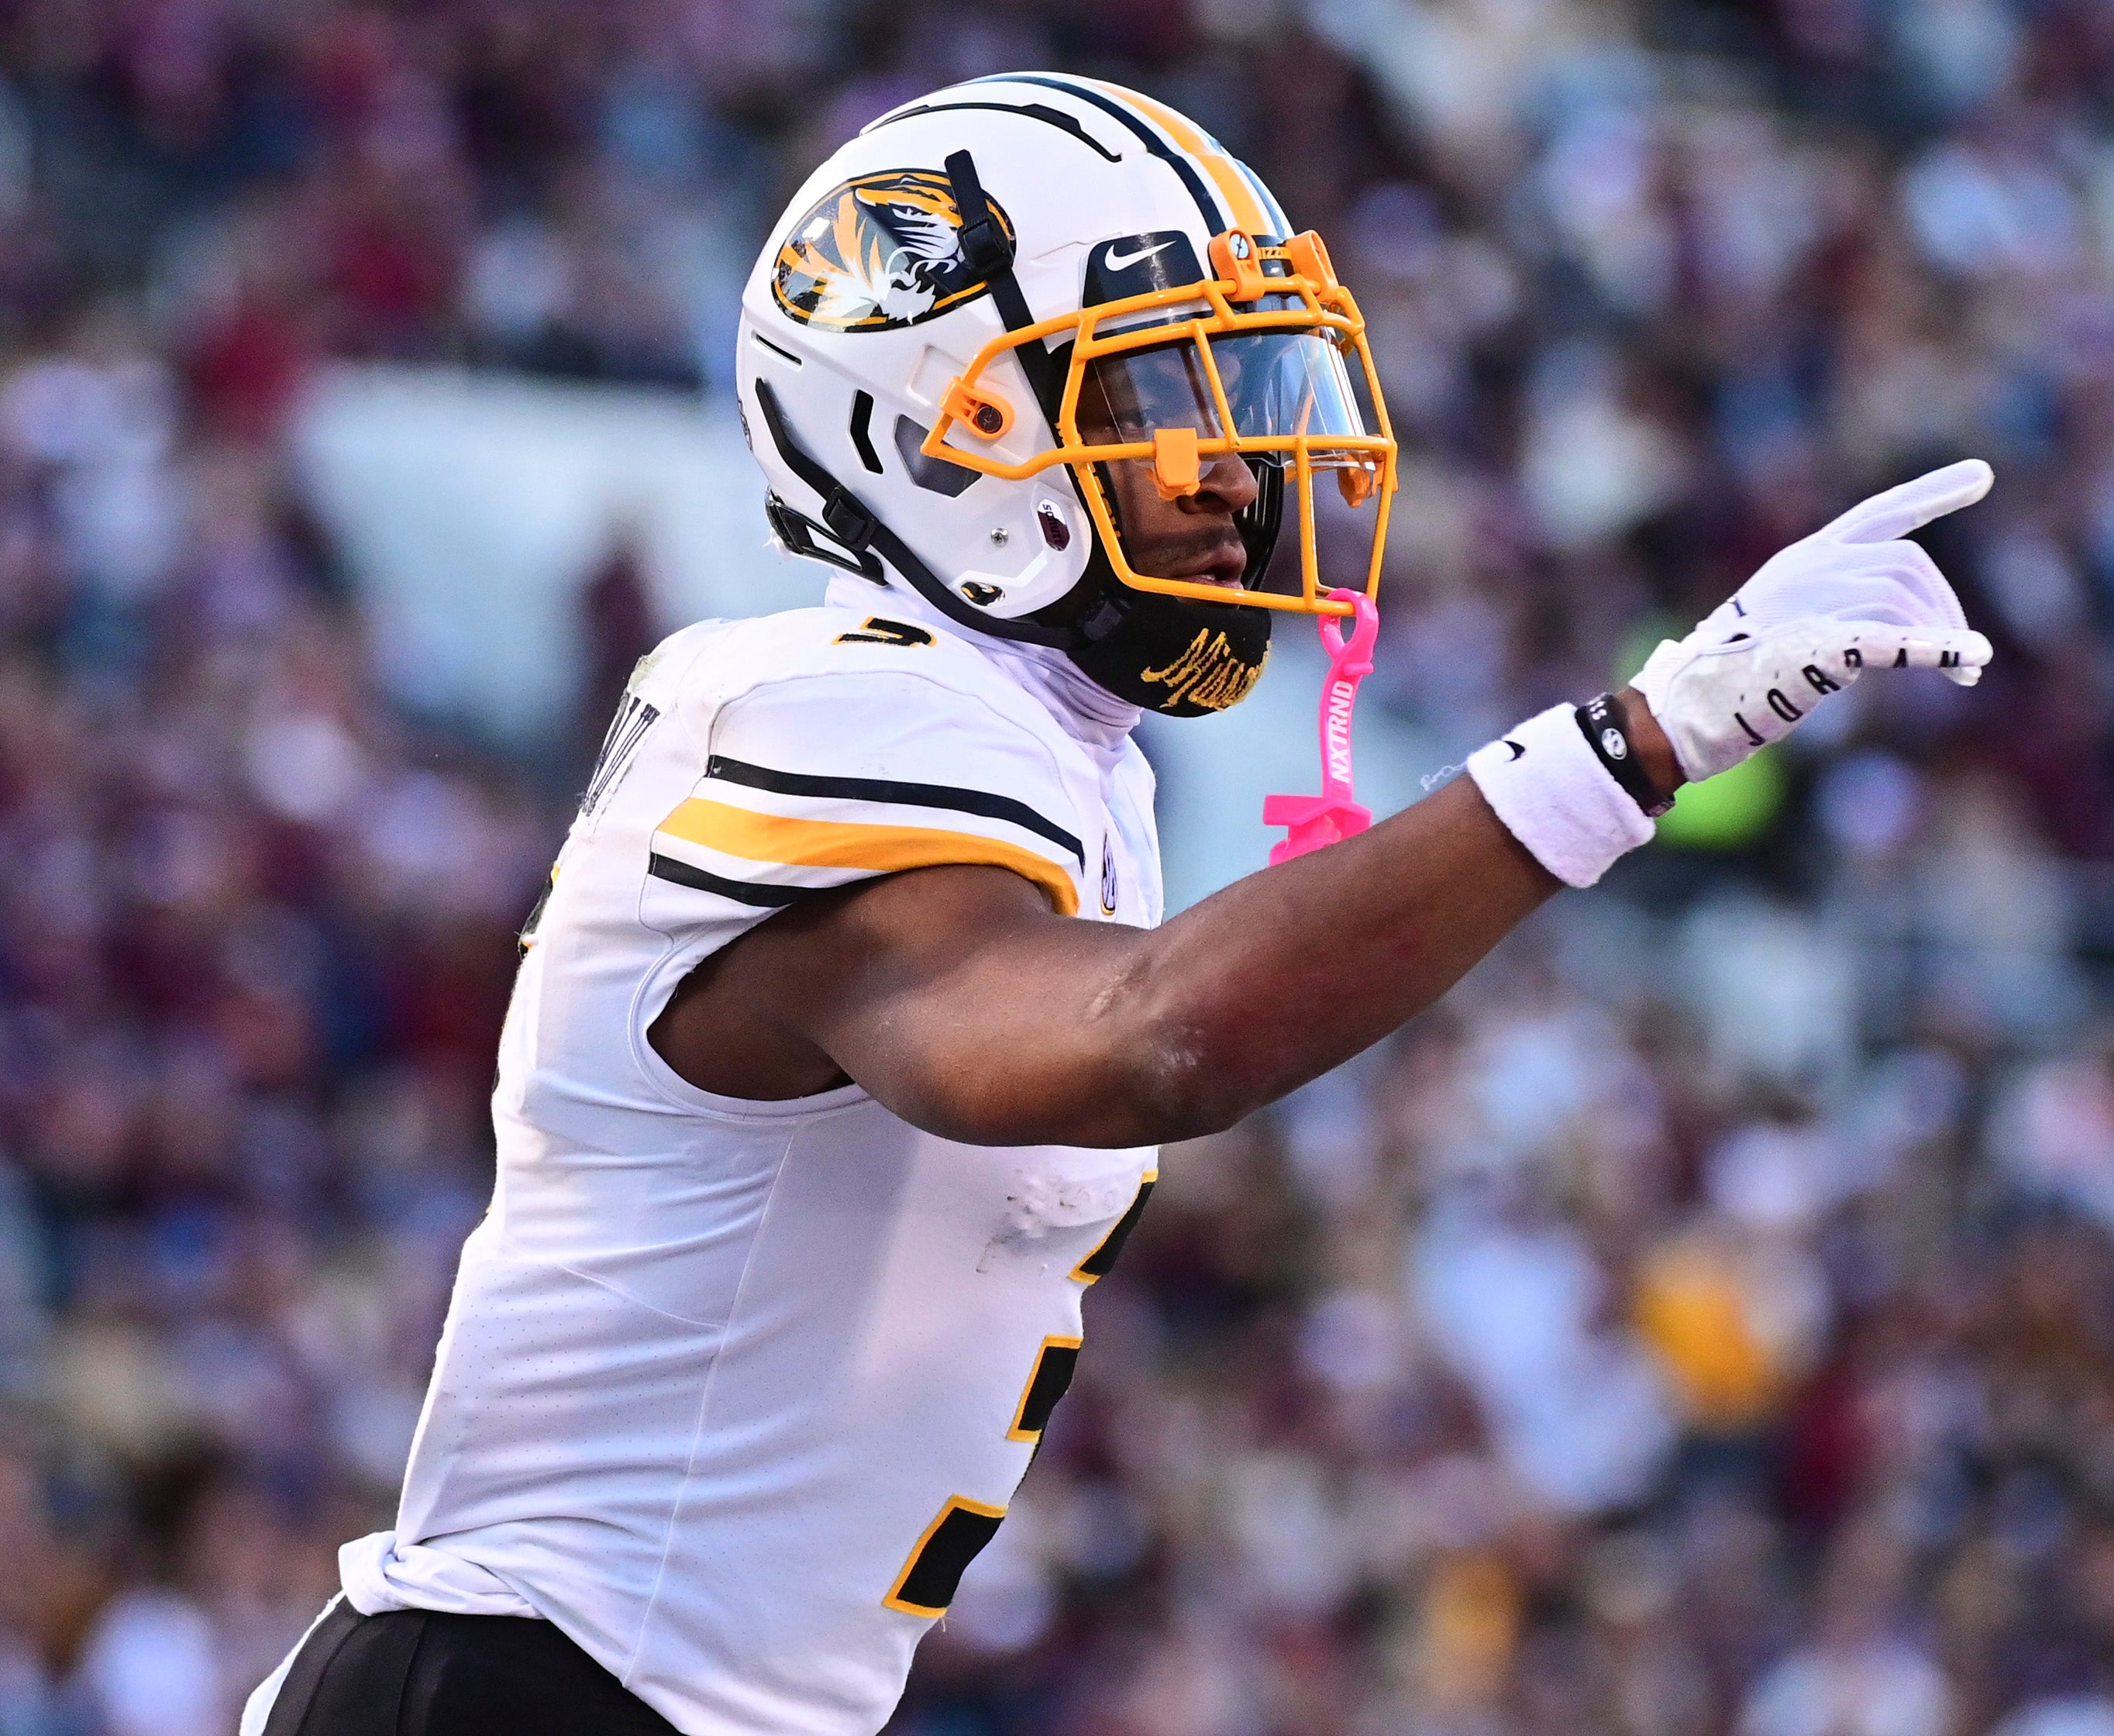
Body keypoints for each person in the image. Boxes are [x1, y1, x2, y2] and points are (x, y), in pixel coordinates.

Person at [243, 74, 1995, 1736]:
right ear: (948, 426)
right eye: (1166, 396)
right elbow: (1148, 1039)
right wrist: (1637, 741)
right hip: (528, 1691)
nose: (1238, 465)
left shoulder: (1064, 761)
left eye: (1244, 395)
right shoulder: (829, 697)